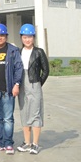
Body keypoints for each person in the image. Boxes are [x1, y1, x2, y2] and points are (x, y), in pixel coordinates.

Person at [0, 23, 23, 155]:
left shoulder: (13, 50)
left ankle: (8, 143)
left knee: (8, 118)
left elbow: (18, 68)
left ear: (6, 36)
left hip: (8, 90)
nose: (0, 37)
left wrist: (16, 84)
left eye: (2, 35)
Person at [16, 24, 49, 155]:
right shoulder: (18, 52)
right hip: (21, 85)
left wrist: (38, 83)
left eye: (30, 37)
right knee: (24, 112)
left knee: (35, 113)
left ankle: (35, 144)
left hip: (34, 83)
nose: (27, 40)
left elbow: (46, 70)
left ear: (34, 37)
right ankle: (26, 142)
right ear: (21, 38)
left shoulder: (39, 52)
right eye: (25, 37)